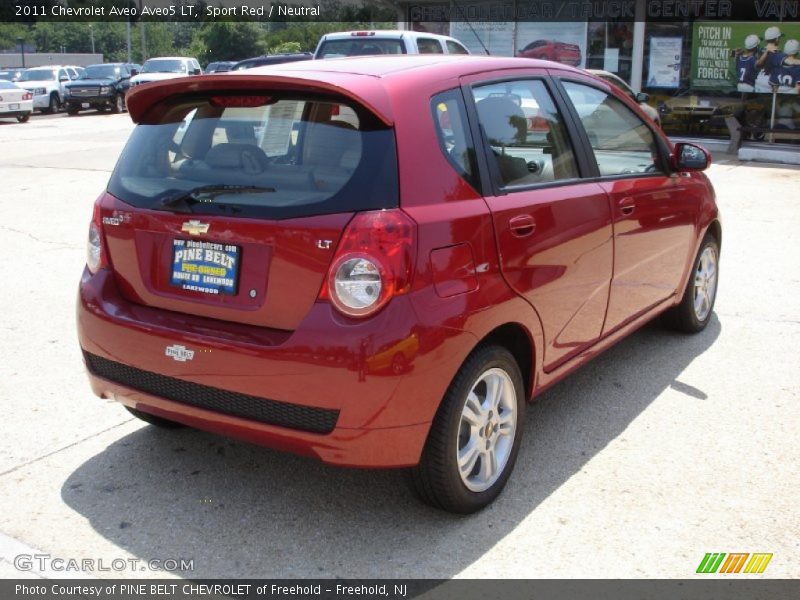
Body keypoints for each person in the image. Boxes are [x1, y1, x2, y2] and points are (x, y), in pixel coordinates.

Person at [756, 26, 785, 92]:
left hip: (758, 80)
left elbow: (758, 65)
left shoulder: (761, 50)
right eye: (779, 38)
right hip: (770, 82)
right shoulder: (779, 53)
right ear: (777, 39)